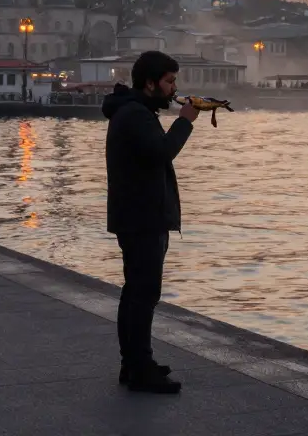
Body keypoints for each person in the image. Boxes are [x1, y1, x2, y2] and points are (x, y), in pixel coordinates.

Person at [102, 51, 199, 394]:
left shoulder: (133, 112)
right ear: (150, 83)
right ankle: (140, 369)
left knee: (135, 293)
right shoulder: (135, 115)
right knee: (143, 294)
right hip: (142, 218)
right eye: (170, 81)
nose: (175, 88)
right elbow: (161, 152)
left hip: (137, 216)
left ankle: (135, 363)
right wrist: (187, 119)